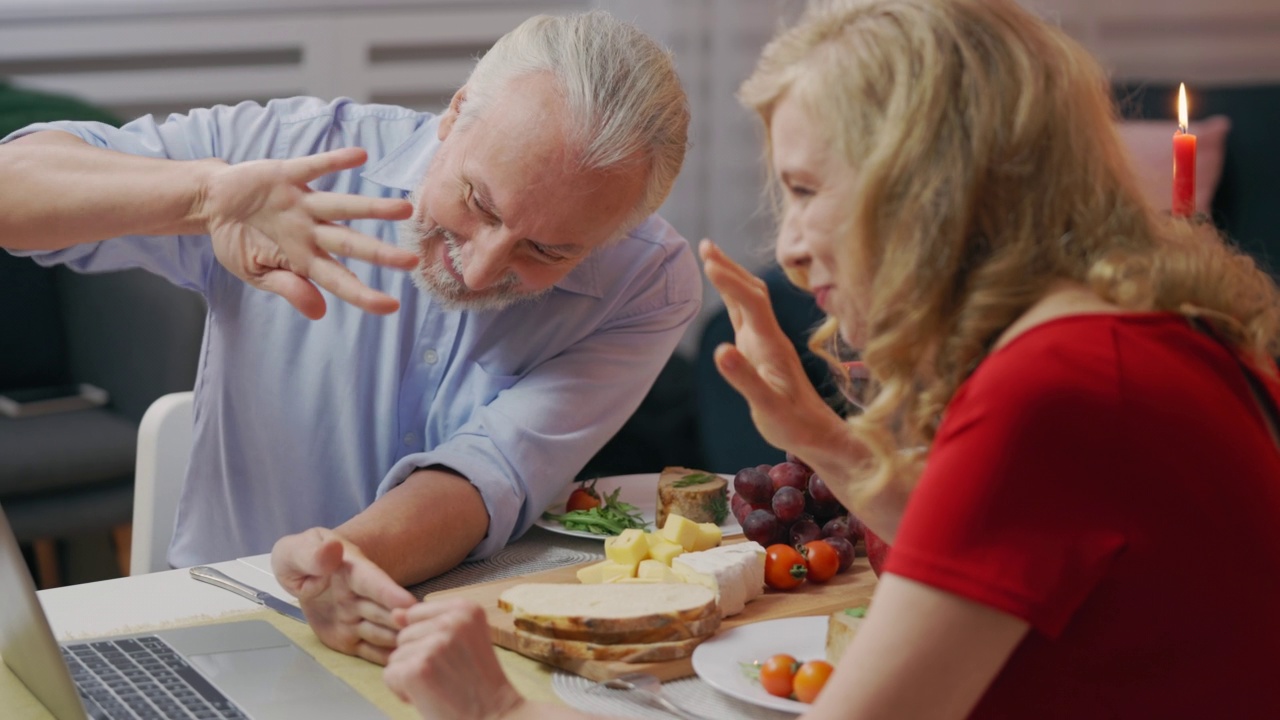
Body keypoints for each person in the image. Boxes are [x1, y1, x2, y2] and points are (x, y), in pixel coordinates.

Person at [379, 0, 1280, 717]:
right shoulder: (1130, 332)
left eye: (808, 191)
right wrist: (821, 438)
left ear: (936, 184)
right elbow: (990, 547)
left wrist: (496, 709)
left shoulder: (1054, 393)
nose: (795, 247)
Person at [0, 10, 699, 664]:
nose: (482, 268)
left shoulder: (647, 281)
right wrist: (201, 197)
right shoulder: (293, 154)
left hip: (443, 638)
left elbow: (492, 471)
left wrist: (338, 560)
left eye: (547, 252)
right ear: (455, 115)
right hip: (227, 624)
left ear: (613, 234)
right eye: (479, 202)